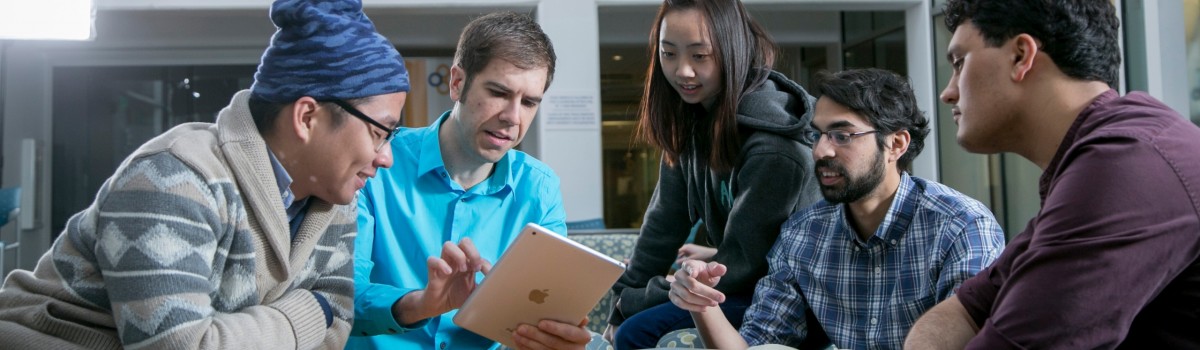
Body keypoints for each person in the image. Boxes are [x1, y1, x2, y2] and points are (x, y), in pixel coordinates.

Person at [0, 0, 407, 348]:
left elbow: (337, 323)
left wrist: (308, 316)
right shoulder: (172, 177)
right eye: (379, 132)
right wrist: (309, 310)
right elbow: (179, 346)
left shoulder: (336, 199)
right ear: (306, 117)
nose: (386, 157)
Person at [904, 1, 1200, 349]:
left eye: (959, 63)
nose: (947, 92)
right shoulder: (1102, 155)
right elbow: (968, 310)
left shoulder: (1126, 167)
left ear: (1021, 56)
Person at [668, 68, 1005, 350]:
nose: (821, 151)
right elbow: (760, 344)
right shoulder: (804, 234)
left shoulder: (961, 226)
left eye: (842, 136)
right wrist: (702, 303)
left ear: (896, 144)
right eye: (817, 135)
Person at [348, 11, 593, 350]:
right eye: (498, 92)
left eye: (529, 103)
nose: (512, 118)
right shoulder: (378, 164)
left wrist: (551, 338)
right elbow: (341, 296)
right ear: (457, 83)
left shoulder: (540, 188)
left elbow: (539, 312)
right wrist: (421, 304)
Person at [605, 0, 822, 348]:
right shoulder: (692, 124)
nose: (683, 71)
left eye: (699, 55)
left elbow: (743, 265)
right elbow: (662, 226)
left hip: (791, 297)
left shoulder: (773, 147)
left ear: (731, 50)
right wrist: (621, 301)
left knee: (636, 332)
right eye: (669, 53)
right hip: (742, 282)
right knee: (628, 322)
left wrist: (638, 302)